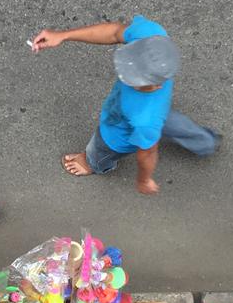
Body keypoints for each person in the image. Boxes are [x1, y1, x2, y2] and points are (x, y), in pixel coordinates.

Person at [30, 15, 220, 195]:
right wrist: (63, 35)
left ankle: (92, 163)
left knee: (103, 149)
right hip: (154, 113)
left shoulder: (145, 118)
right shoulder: (152, 36)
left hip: (117, 134)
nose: (124, 74)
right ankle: (205, 142)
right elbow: (114, 32)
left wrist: (144, 180)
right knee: (164, 120)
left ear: (157, 84)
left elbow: (147, 154)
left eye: (133, 77)